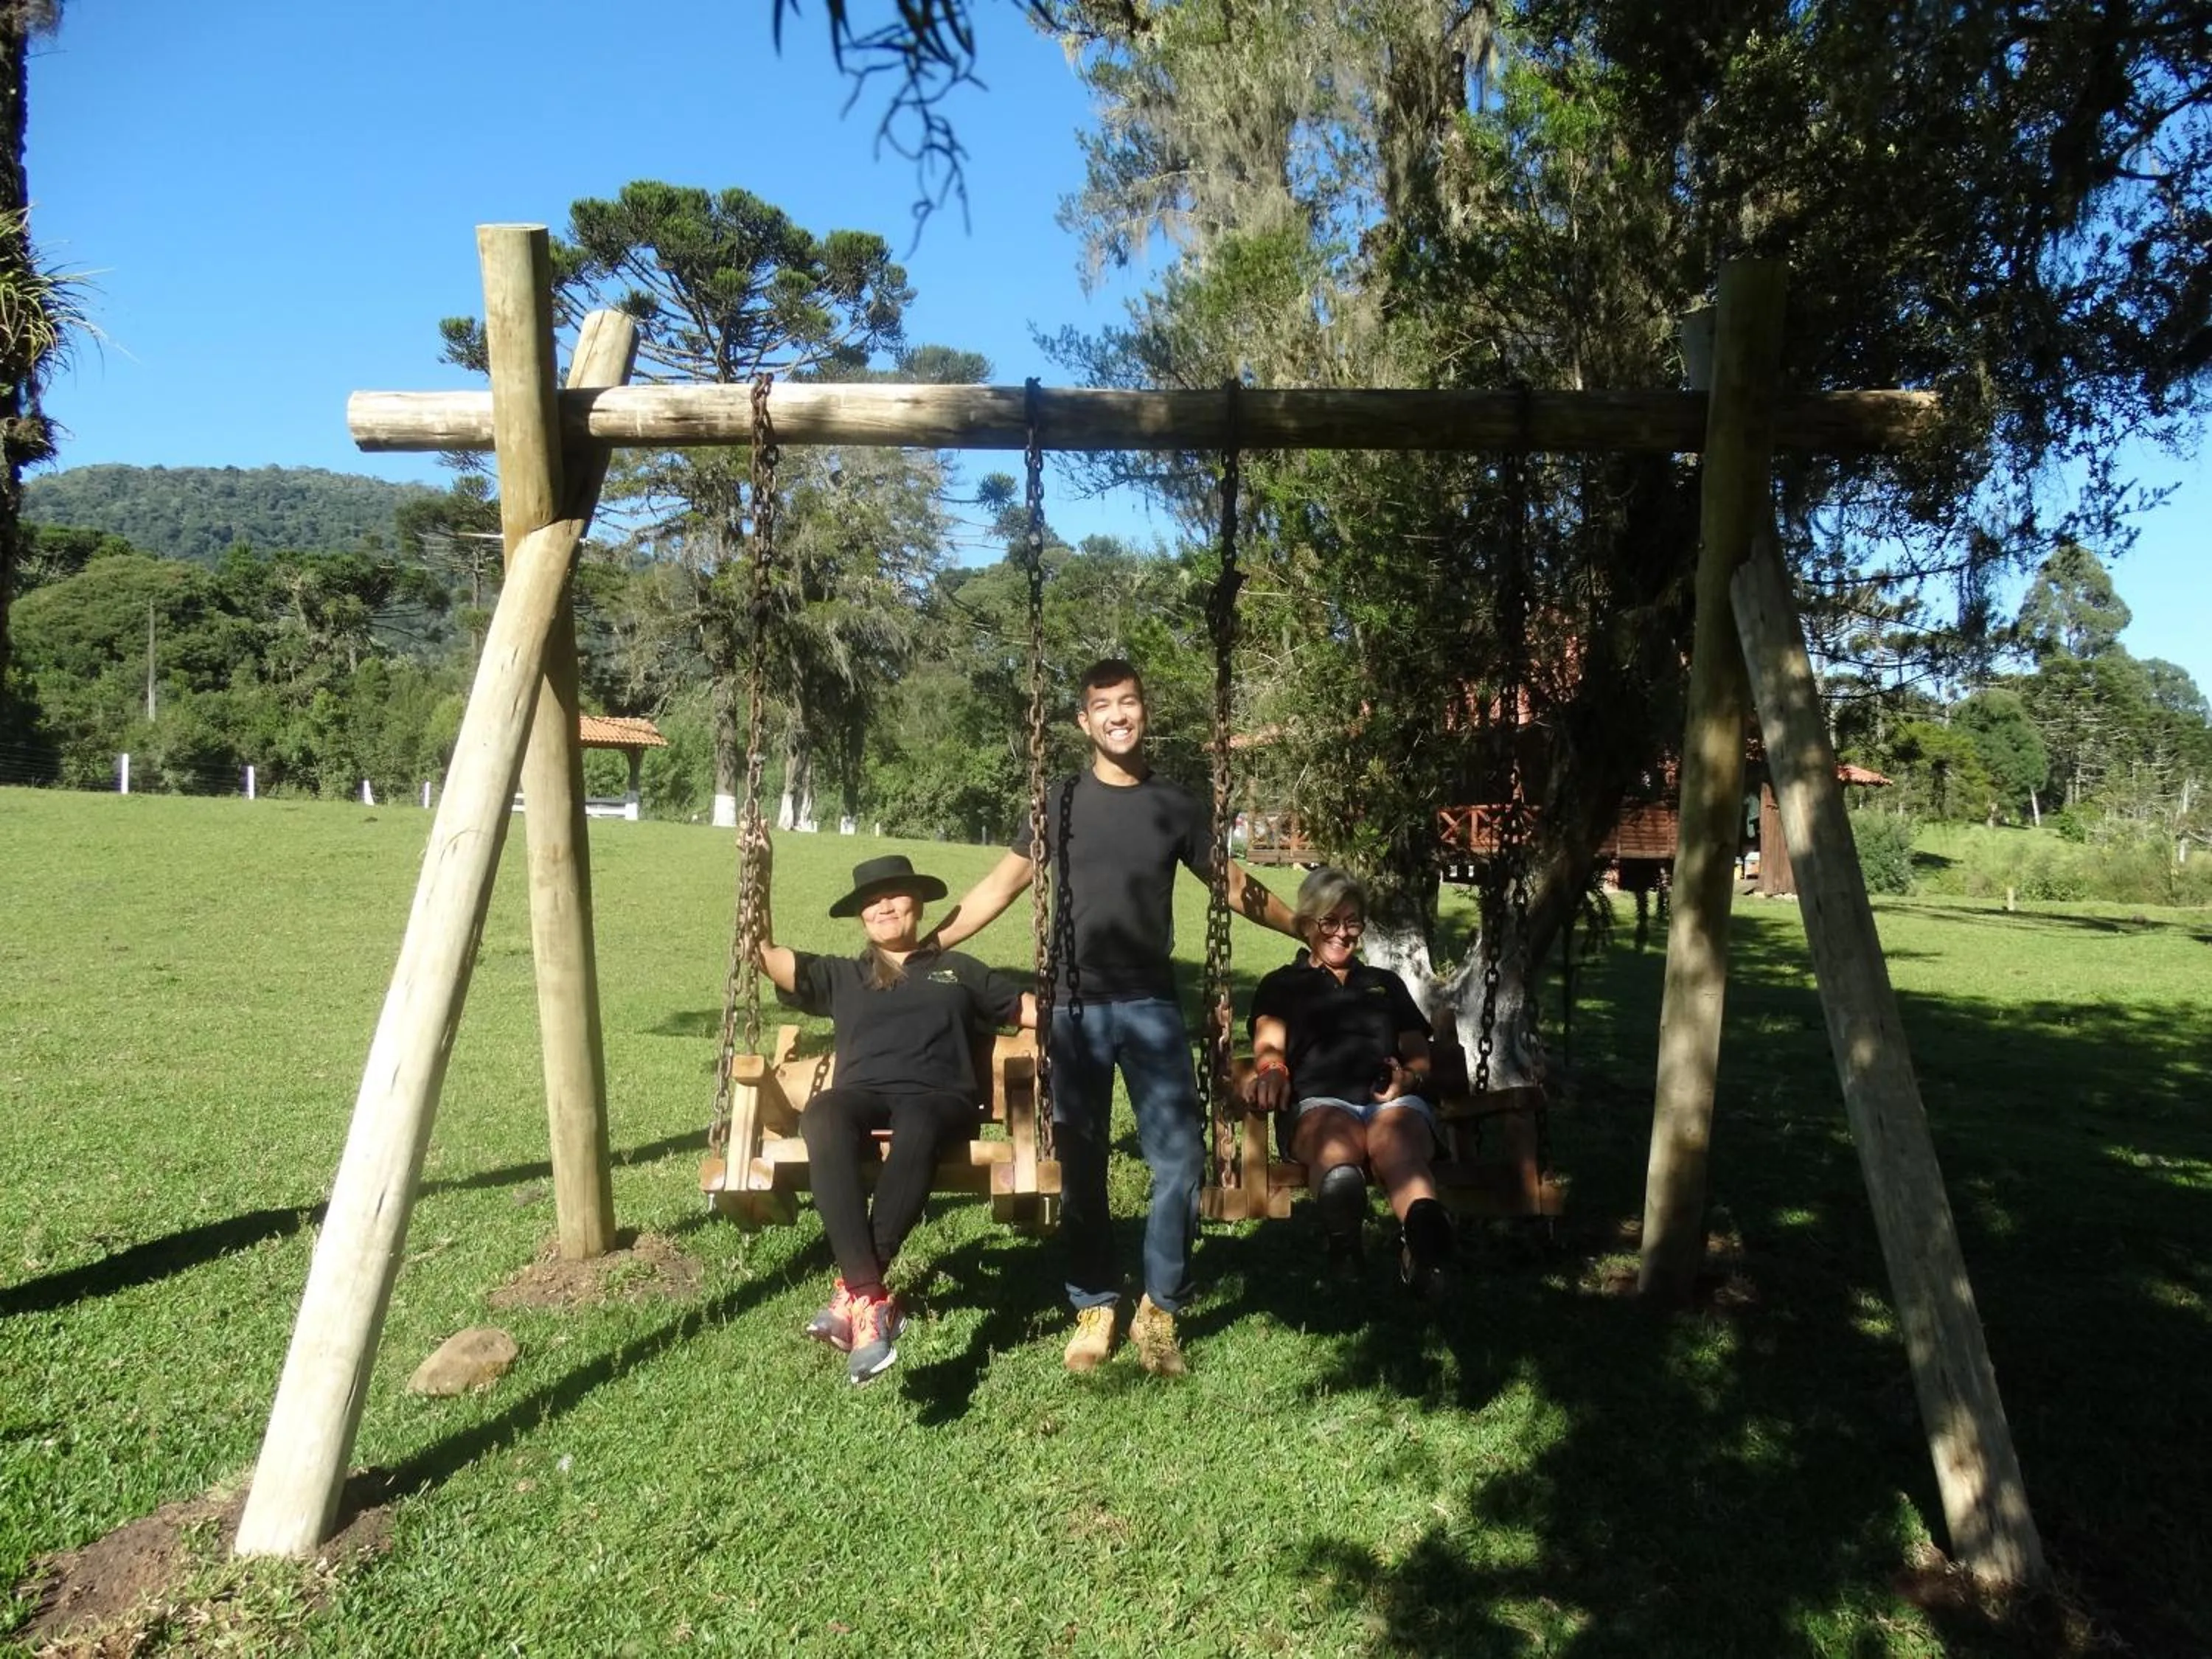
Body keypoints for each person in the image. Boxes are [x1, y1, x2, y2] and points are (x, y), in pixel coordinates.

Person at [931, 658, 1301, 1376]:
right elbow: (1002, 887)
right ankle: (1095, 1303)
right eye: (1103, 706)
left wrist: (1302, 927)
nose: (1118, 716)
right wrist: (934, 939)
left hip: (1151, 1006)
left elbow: (1231, 886)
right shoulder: (1058, 802)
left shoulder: (1175, 806)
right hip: (1073, 1010)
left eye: (1128, 702)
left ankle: (1159, 1309)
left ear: (1144, 712)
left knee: (1182, 1161)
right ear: (1084, 721)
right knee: (1083, 1164)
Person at [754, 838, 1037, 1385]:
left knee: (919, 1122)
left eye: (896, 896)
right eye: (872, 900)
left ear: (918, 904)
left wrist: (1094, 1020)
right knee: (824, 1114)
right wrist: (759, 873)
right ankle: (871, 1299)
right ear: (861, 915)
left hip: (941, 1099)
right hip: (865, 1095)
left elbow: (1026, 1011)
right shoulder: (840, 975)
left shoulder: (961, 970)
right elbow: (763, 955)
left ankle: (854, 1294)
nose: (884, 907)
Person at [1246, 866, 1455, 1298]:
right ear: (1307, 925)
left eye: (1353, 921)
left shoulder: (1384, 984)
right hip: (1320, 1102)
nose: (1343, 933)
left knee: (1399, 1142)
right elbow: (1269, 1044)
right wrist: (1272, 1071)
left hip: (1390, 1101)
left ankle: (1424, 1245)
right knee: (1335, 1138)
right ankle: (1344, 1243)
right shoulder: (1282, 984)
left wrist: (1410, 1079)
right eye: (1330, 921)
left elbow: (1419, 1053)